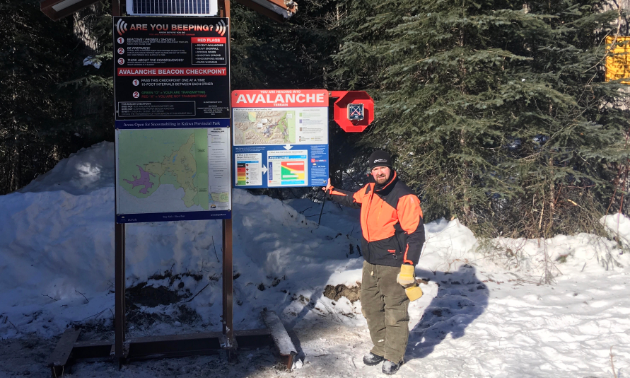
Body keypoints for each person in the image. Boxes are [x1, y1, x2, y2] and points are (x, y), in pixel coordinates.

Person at [323, 150, 425, 375]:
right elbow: (351, 199)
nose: (379, 172)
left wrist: (409, 264)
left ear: (391, 168)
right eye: (375, 169)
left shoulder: (403, 196)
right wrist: (330, 191)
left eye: (383, 168)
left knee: (395, 310)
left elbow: (415, 233)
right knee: (370, 306)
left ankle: (393, 355)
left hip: (393, 263)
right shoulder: (369, 188)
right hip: (371, 261)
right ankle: (380, 346)